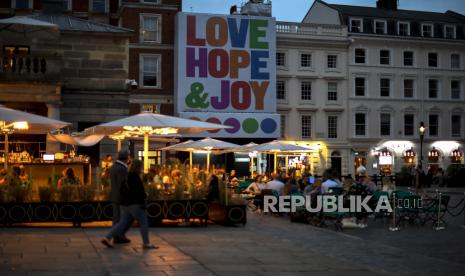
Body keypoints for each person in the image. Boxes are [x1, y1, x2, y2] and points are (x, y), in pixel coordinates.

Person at [102, 159, 158, 249]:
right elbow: (139, 191)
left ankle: (107, 237)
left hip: (125, 204)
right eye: (141, 166)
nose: (142, 168)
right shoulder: (135, 177)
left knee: (122, 223)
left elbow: (122, 189)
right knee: (143, 222)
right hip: (135, 204)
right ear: (138, 167)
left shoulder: (126, 176)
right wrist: (145, 195)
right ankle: (146, 243)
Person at [109, 150, 131, 244]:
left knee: (116, 217)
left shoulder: (113, 167)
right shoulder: (122, 168)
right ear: (127, 158)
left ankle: (117, 236)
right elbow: (123, 184)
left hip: (114, 194)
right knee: (123, 218)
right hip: (121, 196)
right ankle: (118, 236)